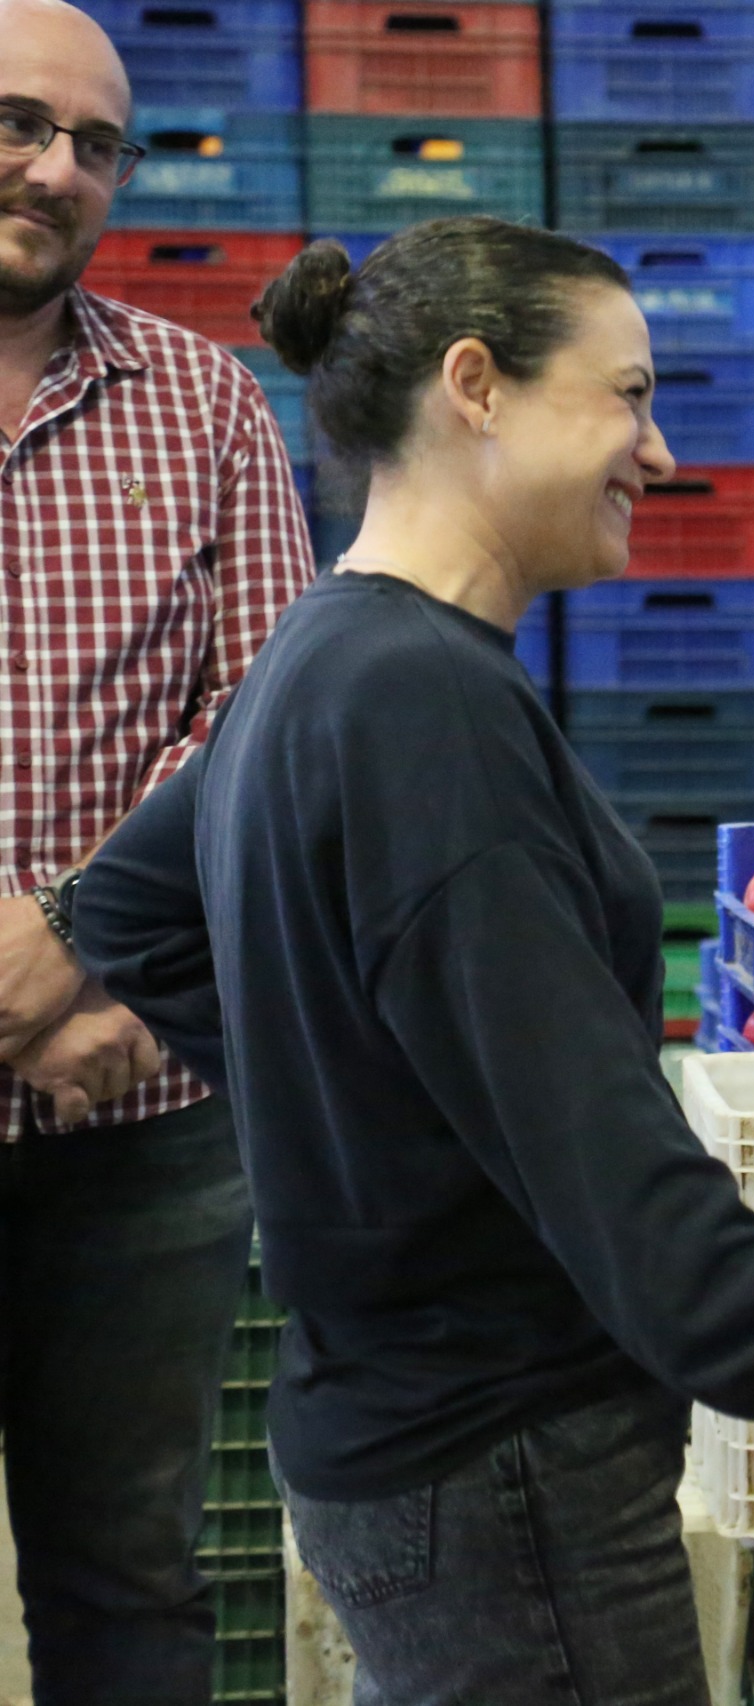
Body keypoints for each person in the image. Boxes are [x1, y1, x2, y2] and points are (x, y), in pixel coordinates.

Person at [72, 217, 754, 1706]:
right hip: (504, 1464)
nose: (660, 451)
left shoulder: (325, 653)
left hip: (403, 1442)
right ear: (478, 387)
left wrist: (358, 1101)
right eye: (628, 396)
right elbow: (577, 1094)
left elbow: (124, 917)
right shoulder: (422, 702)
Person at [0, 2, 312, 1697]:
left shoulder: (203, 408)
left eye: (94, 143)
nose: (55, 167)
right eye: (19, 122)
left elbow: (261, 724)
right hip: (94, 1041)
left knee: (128, 1583)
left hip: (139, 1108)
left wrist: (105, 973)